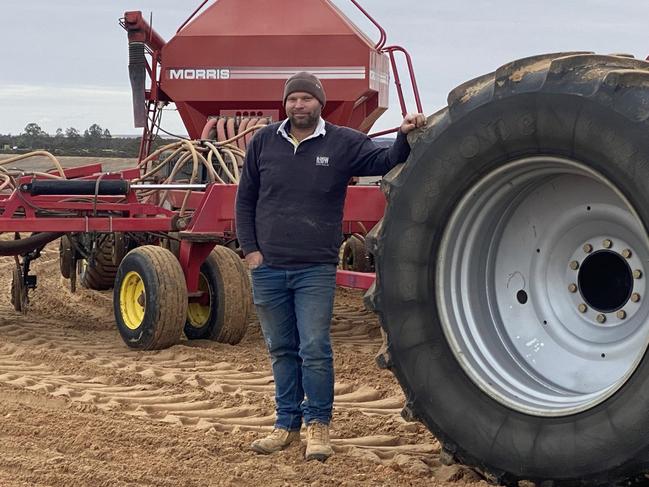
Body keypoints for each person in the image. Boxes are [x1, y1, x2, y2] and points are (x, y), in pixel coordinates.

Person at [235, 72, 426, 462]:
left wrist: (405, 134)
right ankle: (285, 426)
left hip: (314, 269)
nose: (298, 106)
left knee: (315, 349)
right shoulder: (263, 142)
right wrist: (251, 251)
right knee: (281, 349)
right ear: (284, 104)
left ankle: (318, 427)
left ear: (319, 103)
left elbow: (386, 158)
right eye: (292, 99)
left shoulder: (342, 142)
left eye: (306, 99)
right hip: (268, 267)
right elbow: (245, 199)